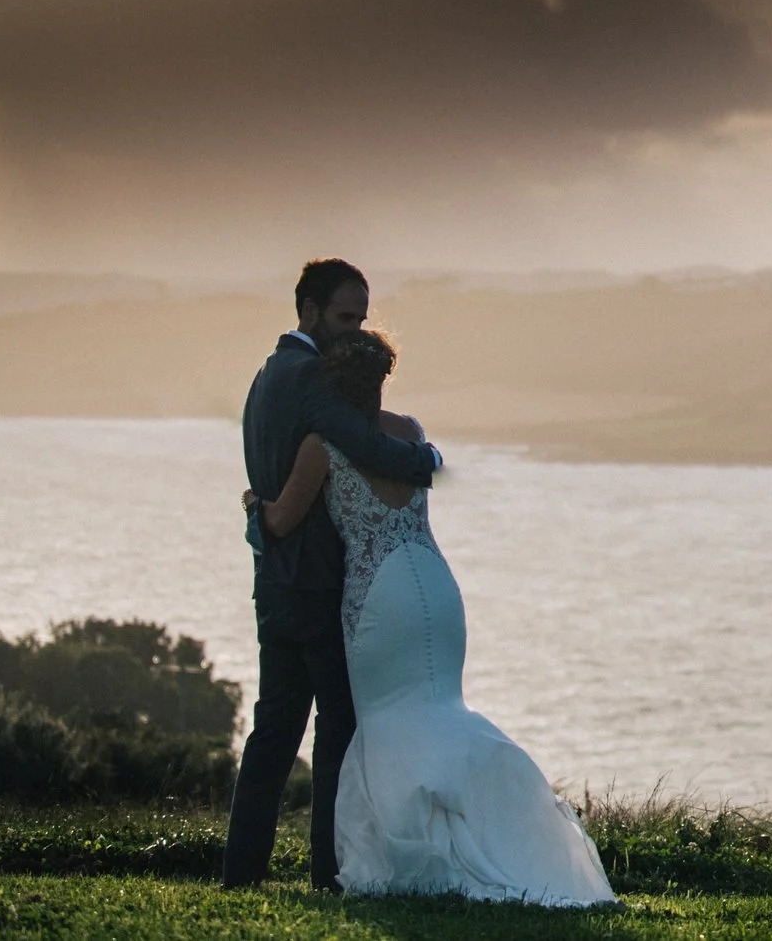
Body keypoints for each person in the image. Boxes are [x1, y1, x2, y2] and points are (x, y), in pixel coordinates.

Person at [253, 330, 615, 905]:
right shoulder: (411, 433)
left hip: (378, 596)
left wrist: (254, 502)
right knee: (442, 709)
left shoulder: (321, 445)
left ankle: (407, 848)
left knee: (387, 721)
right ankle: (495, 819)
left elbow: (281, 521)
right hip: (435, 585)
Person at [223, 259, 441, 890]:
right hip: (320, 583)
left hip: (275, 581)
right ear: (309, 311)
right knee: (337, 732)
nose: (353, 334)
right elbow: (365, 444)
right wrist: (428, 457)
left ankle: (241, 876)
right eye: (345, 318)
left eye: (361, 321)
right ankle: (328, 873)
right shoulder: (312, 375)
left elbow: (269, 480)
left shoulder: (266, 374)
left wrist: (260, 522)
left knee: (273, 732)